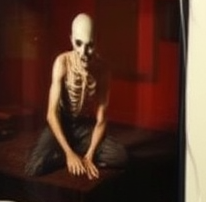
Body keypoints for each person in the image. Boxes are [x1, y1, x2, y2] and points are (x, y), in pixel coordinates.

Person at [24, 13, 128, 180]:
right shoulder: (62, 63)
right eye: (78, 44)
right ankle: (67, 151)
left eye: (90, 45)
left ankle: (76, 152)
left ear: (96, 41)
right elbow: (51, 114)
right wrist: (69, 154)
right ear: (71, 39)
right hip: (62, 122)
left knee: (120, 156)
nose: (83, 52)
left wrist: (89, 155)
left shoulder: (103, 70)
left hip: (84, 126)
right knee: (33, 167)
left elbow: (102, 119)